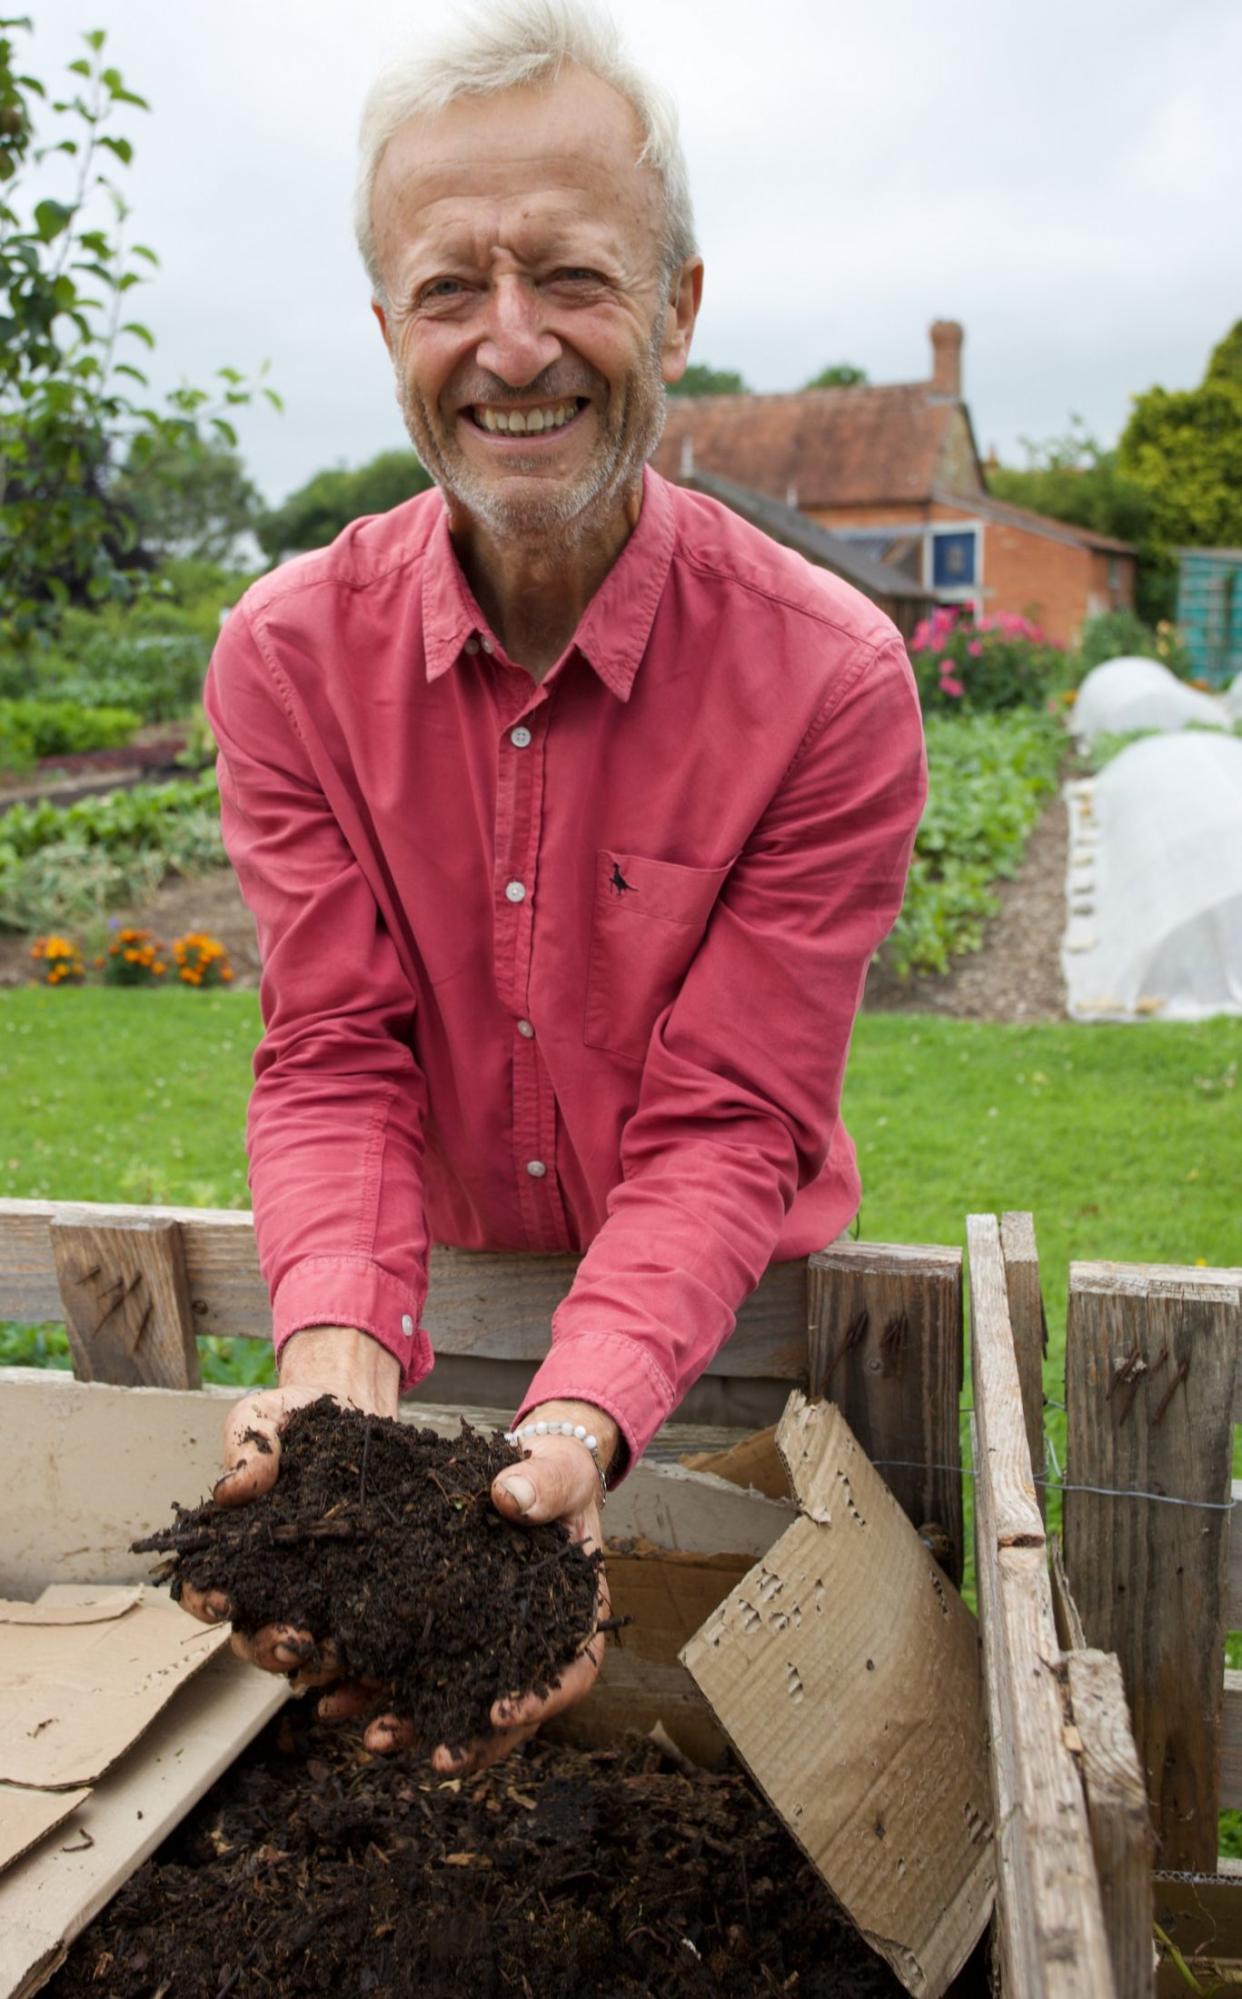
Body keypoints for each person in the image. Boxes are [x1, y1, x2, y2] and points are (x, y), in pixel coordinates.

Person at [182, 0, 927, 1773]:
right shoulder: (286, 660)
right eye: (450, 291)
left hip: (726, 1343)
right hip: (401, 1303)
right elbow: (337, 1052)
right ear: (386, 332)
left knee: (715, 1782)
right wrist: (340, 1380)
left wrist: (580, 1425)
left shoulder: (826, 681)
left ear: (674, 303)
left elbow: (731, 1117)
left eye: (571, 278)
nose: (511, 348)